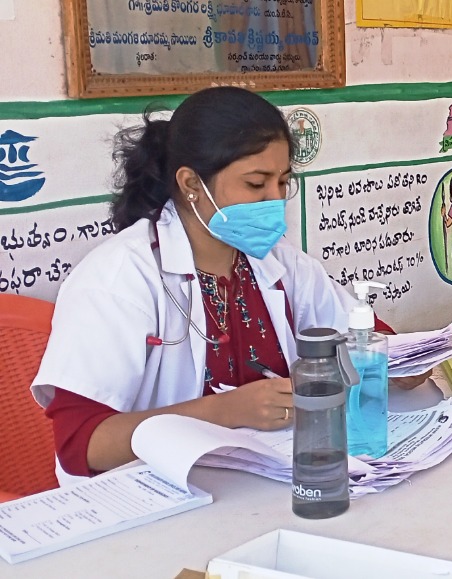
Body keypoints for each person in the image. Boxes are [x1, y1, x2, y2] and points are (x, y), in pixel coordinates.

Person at [30, 87, 420, 484]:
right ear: (190, 184)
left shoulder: (276, 260)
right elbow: (82, 445)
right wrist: (225, 411)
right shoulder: (119, 279)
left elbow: (365, 333)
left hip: (259, 484)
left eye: (283, 183)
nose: (275, 199)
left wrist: (398, 363)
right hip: (149, 498)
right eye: (256, 184)